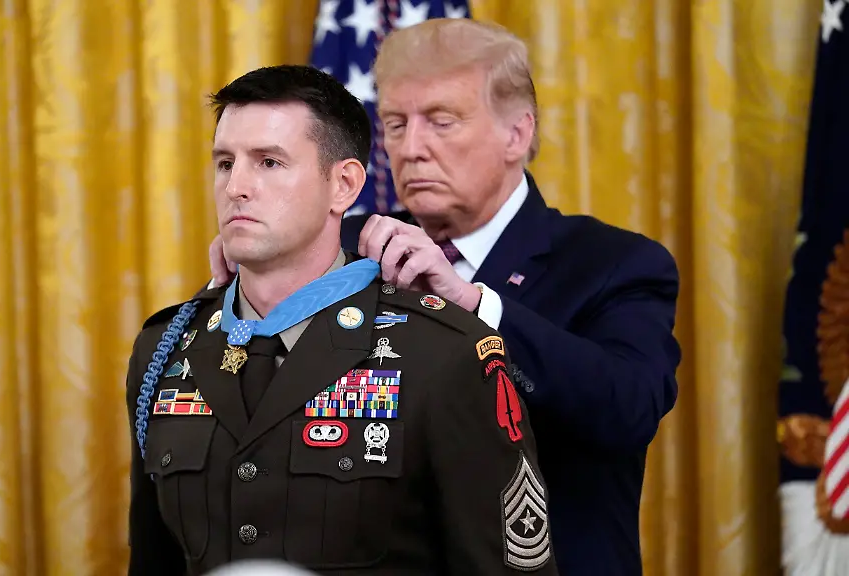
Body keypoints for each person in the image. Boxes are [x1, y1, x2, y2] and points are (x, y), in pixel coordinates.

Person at [208, 19, 681, 576]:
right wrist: (239, 295)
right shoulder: (338, 248)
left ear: (517, 134)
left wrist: (474, 305)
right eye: (396, 124)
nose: (411, 149)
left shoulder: (612, 263)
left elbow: (628, 408)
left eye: (441, 121)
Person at [126, 64, 559, 575]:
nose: (236, 186)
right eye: (225, 163)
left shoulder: (445, 353)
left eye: (268, 162)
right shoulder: (165, 348)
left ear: (344, 186)